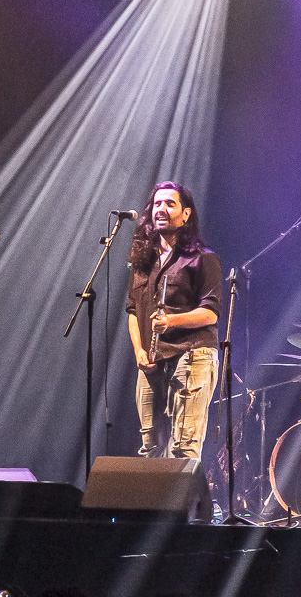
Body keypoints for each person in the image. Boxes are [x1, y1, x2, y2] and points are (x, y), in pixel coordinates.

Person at [126, 181, 222, 459]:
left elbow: (210, 313)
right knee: (150, 449)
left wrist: (172, 321)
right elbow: (133, 310)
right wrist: (139, 350)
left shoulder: (203, 259)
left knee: (183, 448)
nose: (161, 209)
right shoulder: (142, 262)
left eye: (170, 204)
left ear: (186, 214)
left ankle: (182, 490)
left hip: (192, 354)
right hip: (152, 361)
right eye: (157, 203)